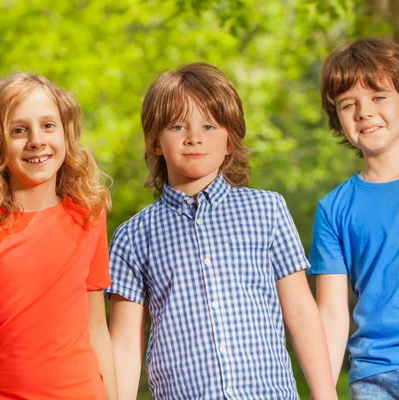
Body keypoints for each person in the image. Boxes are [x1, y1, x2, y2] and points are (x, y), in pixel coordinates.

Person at [106, 62, 337, 400]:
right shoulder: (132, 237)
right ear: (156, 142)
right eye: (177, 126)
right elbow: (125, 343)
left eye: (210, 125)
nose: (194, 137)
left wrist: (325, 394)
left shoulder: (267, 210)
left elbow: (301, 310)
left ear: (230, 141)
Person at [0, 73, 118, 399]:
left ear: (66, 134)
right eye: (19, 130)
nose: (36, 139)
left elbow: (96, 328)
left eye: (48, 126)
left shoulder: (89, 215)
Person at [309, 37, 399, 399]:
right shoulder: (334, 209)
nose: (364, 112)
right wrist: (323, 391)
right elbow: (331, 314)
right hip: (375, 376)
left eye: (378, 97)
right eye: (349, 104)